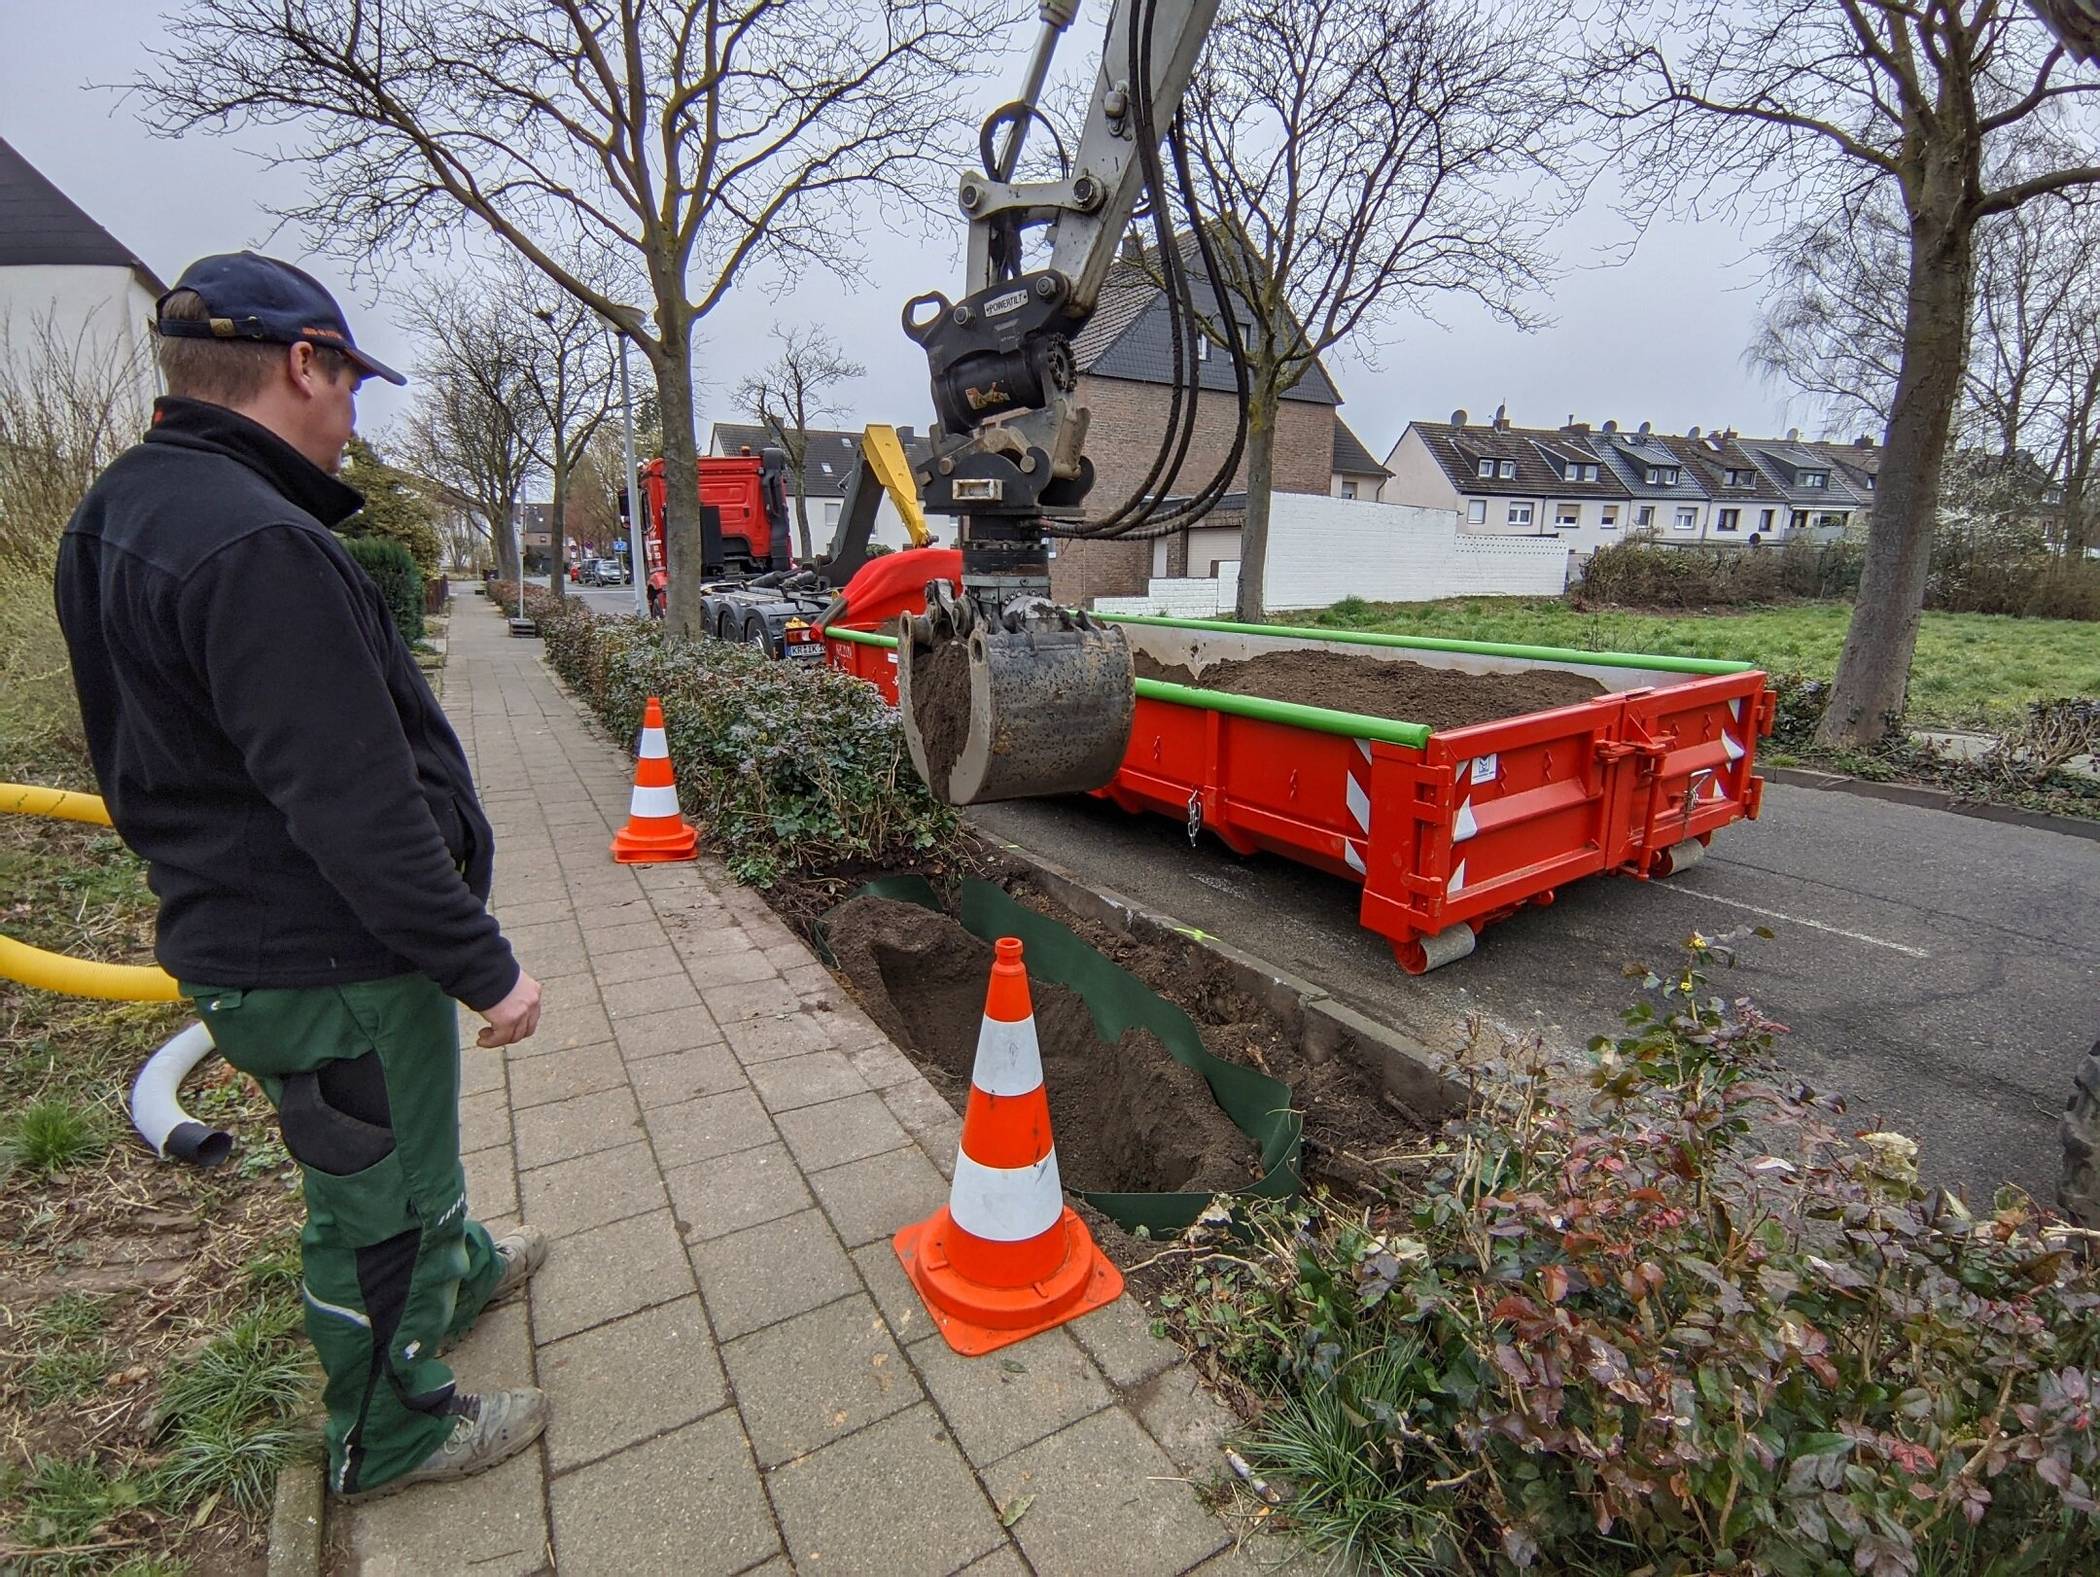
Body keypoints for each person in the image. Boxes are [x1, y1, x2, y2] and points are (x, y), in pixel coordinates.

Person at [54, 252, 549, 1502]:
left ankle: (465, 1264)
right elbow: (353, 802)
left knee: (406, 1157)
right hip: (328, 950)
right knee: (373, 1199)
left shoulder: (120, 508)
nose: (352, 417)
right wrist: (482, 964)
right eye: (348, 385)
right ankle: (393, 1432)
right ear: (303, 363)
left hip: (262, 927)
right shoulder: (257, 544)